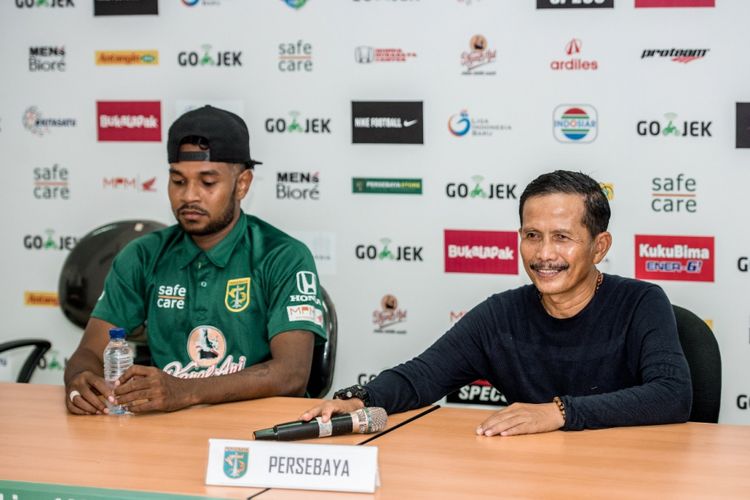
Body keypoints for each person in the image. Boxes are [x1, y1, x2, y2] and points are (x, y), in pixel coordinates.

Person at [302, 170, 692, 436]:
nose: (544, 254)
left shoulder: (641, 301)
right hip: (531, 474)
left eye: (562, 237)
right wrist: (361, 399)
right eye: (532, 235)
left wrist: (558, 412)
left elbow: (673, 395)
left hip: (626, 474)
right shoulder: (500, 315)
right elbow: (422, 375)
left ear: (599, 246)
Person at [64, 105, 327, 414]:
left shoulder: (283, 256)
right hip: (170, 431)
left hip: (260, 431)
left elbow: (292, 374)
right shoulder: (142, 255)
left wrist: (185, 391)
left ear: (242, 184)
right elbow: (89, 352)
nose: (189, 196)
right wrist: (80, 380)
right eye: (178, 181)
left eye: (207, 182)